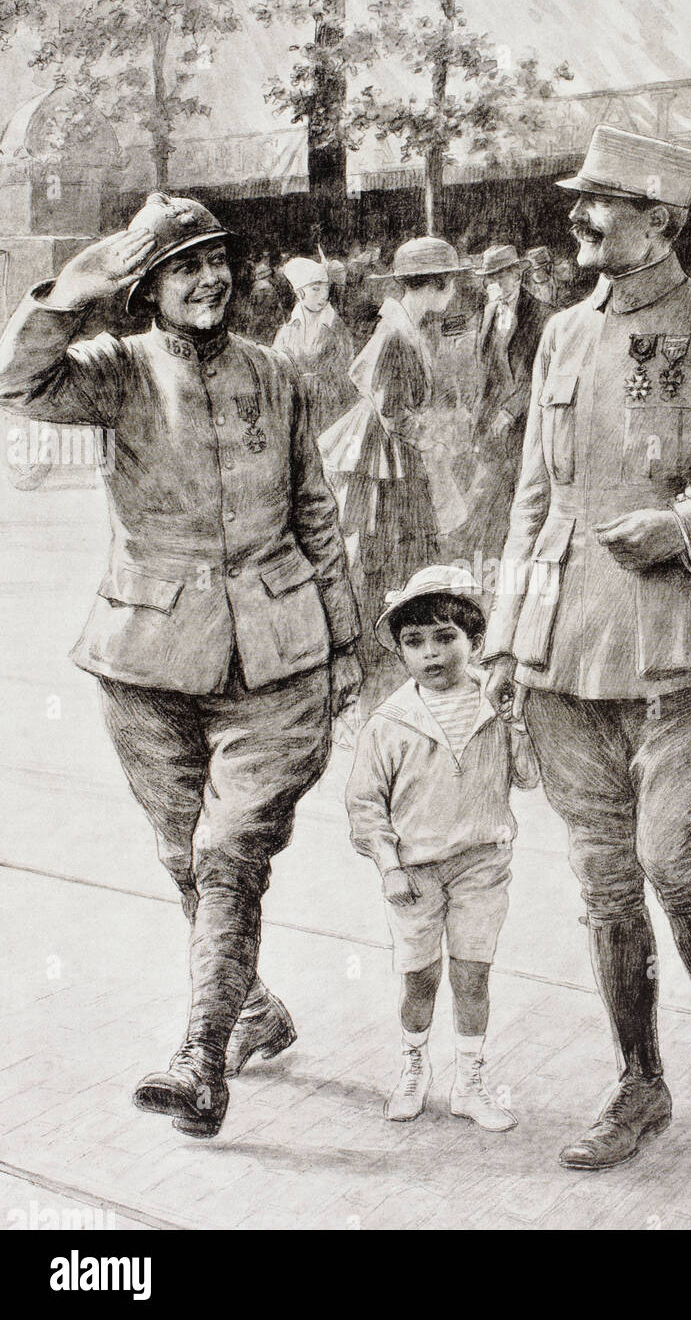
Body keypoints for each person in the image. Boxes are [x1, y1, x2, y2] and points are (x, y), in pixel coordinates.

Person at [0, 192, 363, 1138]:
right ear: (146, 287)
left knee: (225, 850)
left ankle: (199, 1060)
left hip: (279, 659)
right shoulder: (115, 371)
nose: (207, 278)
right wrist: (74, 288)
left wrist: (346, 644)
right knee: (182, 856)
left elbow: (315, 510)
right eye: (180, 266)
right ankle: (249, 1010)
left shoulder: (276, 373)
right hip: (147, 659)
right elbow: (13, 379)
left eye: (216, 261)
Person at [484, 125, 691, 1169]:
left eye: (604, 201)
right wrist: (504, 638)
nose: (579, 216)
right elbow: (534, 498)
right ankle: (637, 1083)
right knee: (602, 884)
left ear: (662, 219)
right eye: (579, 199)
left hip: (688, 652)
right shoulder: (562, 336)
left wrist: (679, 531)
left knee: (669, 861)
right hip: (567, 658)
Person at [346, 566, 539, 1129]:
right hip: (415, 872)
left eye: (445, 637)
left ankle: (470, 1083)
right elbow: (365, 805)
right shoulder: (389, 720)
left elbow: (527, 777)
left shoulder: (495, 706)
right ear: (401, 653)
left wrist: (519, 724)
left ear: (474, 642)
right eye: (415, 642)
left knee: (473, 974)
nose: (431, 653)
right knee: (419, 977)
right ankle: (412, 1069)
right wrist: (388, 866)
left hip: (483, 863)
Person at [319, 237, 468, 716]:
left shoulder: (407, 326)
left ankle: (394, 666)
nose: (452, 297)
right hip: (383, 459)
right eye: (450, 287)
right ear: (438, 287)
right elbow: (391, 412)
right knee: (382, 553)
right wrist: (431, 438)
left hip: (396, 453)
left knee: (402, 553)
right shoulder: (396, 333)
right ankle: (371, 677)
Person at [468, 244, 554, 559]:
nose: (493, 283)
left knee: (524, 496)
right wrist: (478, 410)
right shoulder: (488, 313)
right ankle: (489, 559)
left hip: (523, 423)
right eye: (489, 277)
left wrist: (508, 411)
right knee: (486, 498)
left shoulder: (542, 315)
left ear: (517, 274)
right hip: (489, 423)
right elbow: (483, 369)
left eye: (500, 276)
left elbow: (537, 376)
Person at [273, 256, 357, 440]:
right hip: (296, 403)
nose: (323, 295)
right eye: (315, 289)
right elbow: (276, 367)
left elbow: (347, 366)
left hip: (331, 404)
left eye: (326, 288)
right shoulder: (288, 330)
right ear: (299, 293)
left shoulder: (335, 327)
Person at [239, 255, 286, 345]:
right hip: (265, 324)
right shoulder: (265, 288)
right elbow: (273, 309)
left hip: (258, 323)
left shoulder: (257, 287)